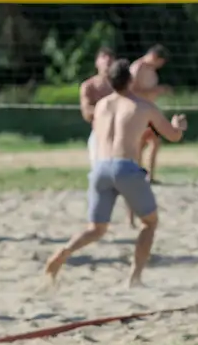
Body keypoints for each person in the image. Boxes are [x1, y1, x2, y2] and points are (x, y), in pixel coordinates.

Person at [45, 58, 187, 287]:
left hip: (100, 167)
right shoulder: (142, 105)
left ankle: (65, 251)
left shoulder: (101, 106)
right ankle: (135, 277)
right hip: (126, 167)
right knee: (149, 223)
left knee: (96, 229)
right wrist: (179, 125)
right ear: (131, 80)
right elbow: (172, 136)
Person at [80, 47, 135, 228]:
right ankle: (96, 218)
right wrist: (106, 111)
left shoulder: (121, 86)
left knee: (129, 176)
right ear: (97, 62)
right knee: (98, 176)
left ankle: (130, 218)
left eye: (111, 59)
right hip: (100, 136)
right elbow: (86, 112)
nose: (107, 62)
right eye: (104, 58)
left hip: (122, 135)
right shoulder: (89, 86)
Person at [130, 44, 172, 184]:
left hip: (149, 110)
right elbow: (131, 92)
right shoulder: (137, 68)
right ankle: (139, 174)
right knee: (143, 142)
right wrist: (156, 91)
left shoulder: (150, 69)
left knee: (152, 141)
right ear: (155, 57)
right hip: (138, 110)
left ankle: (148, 176)